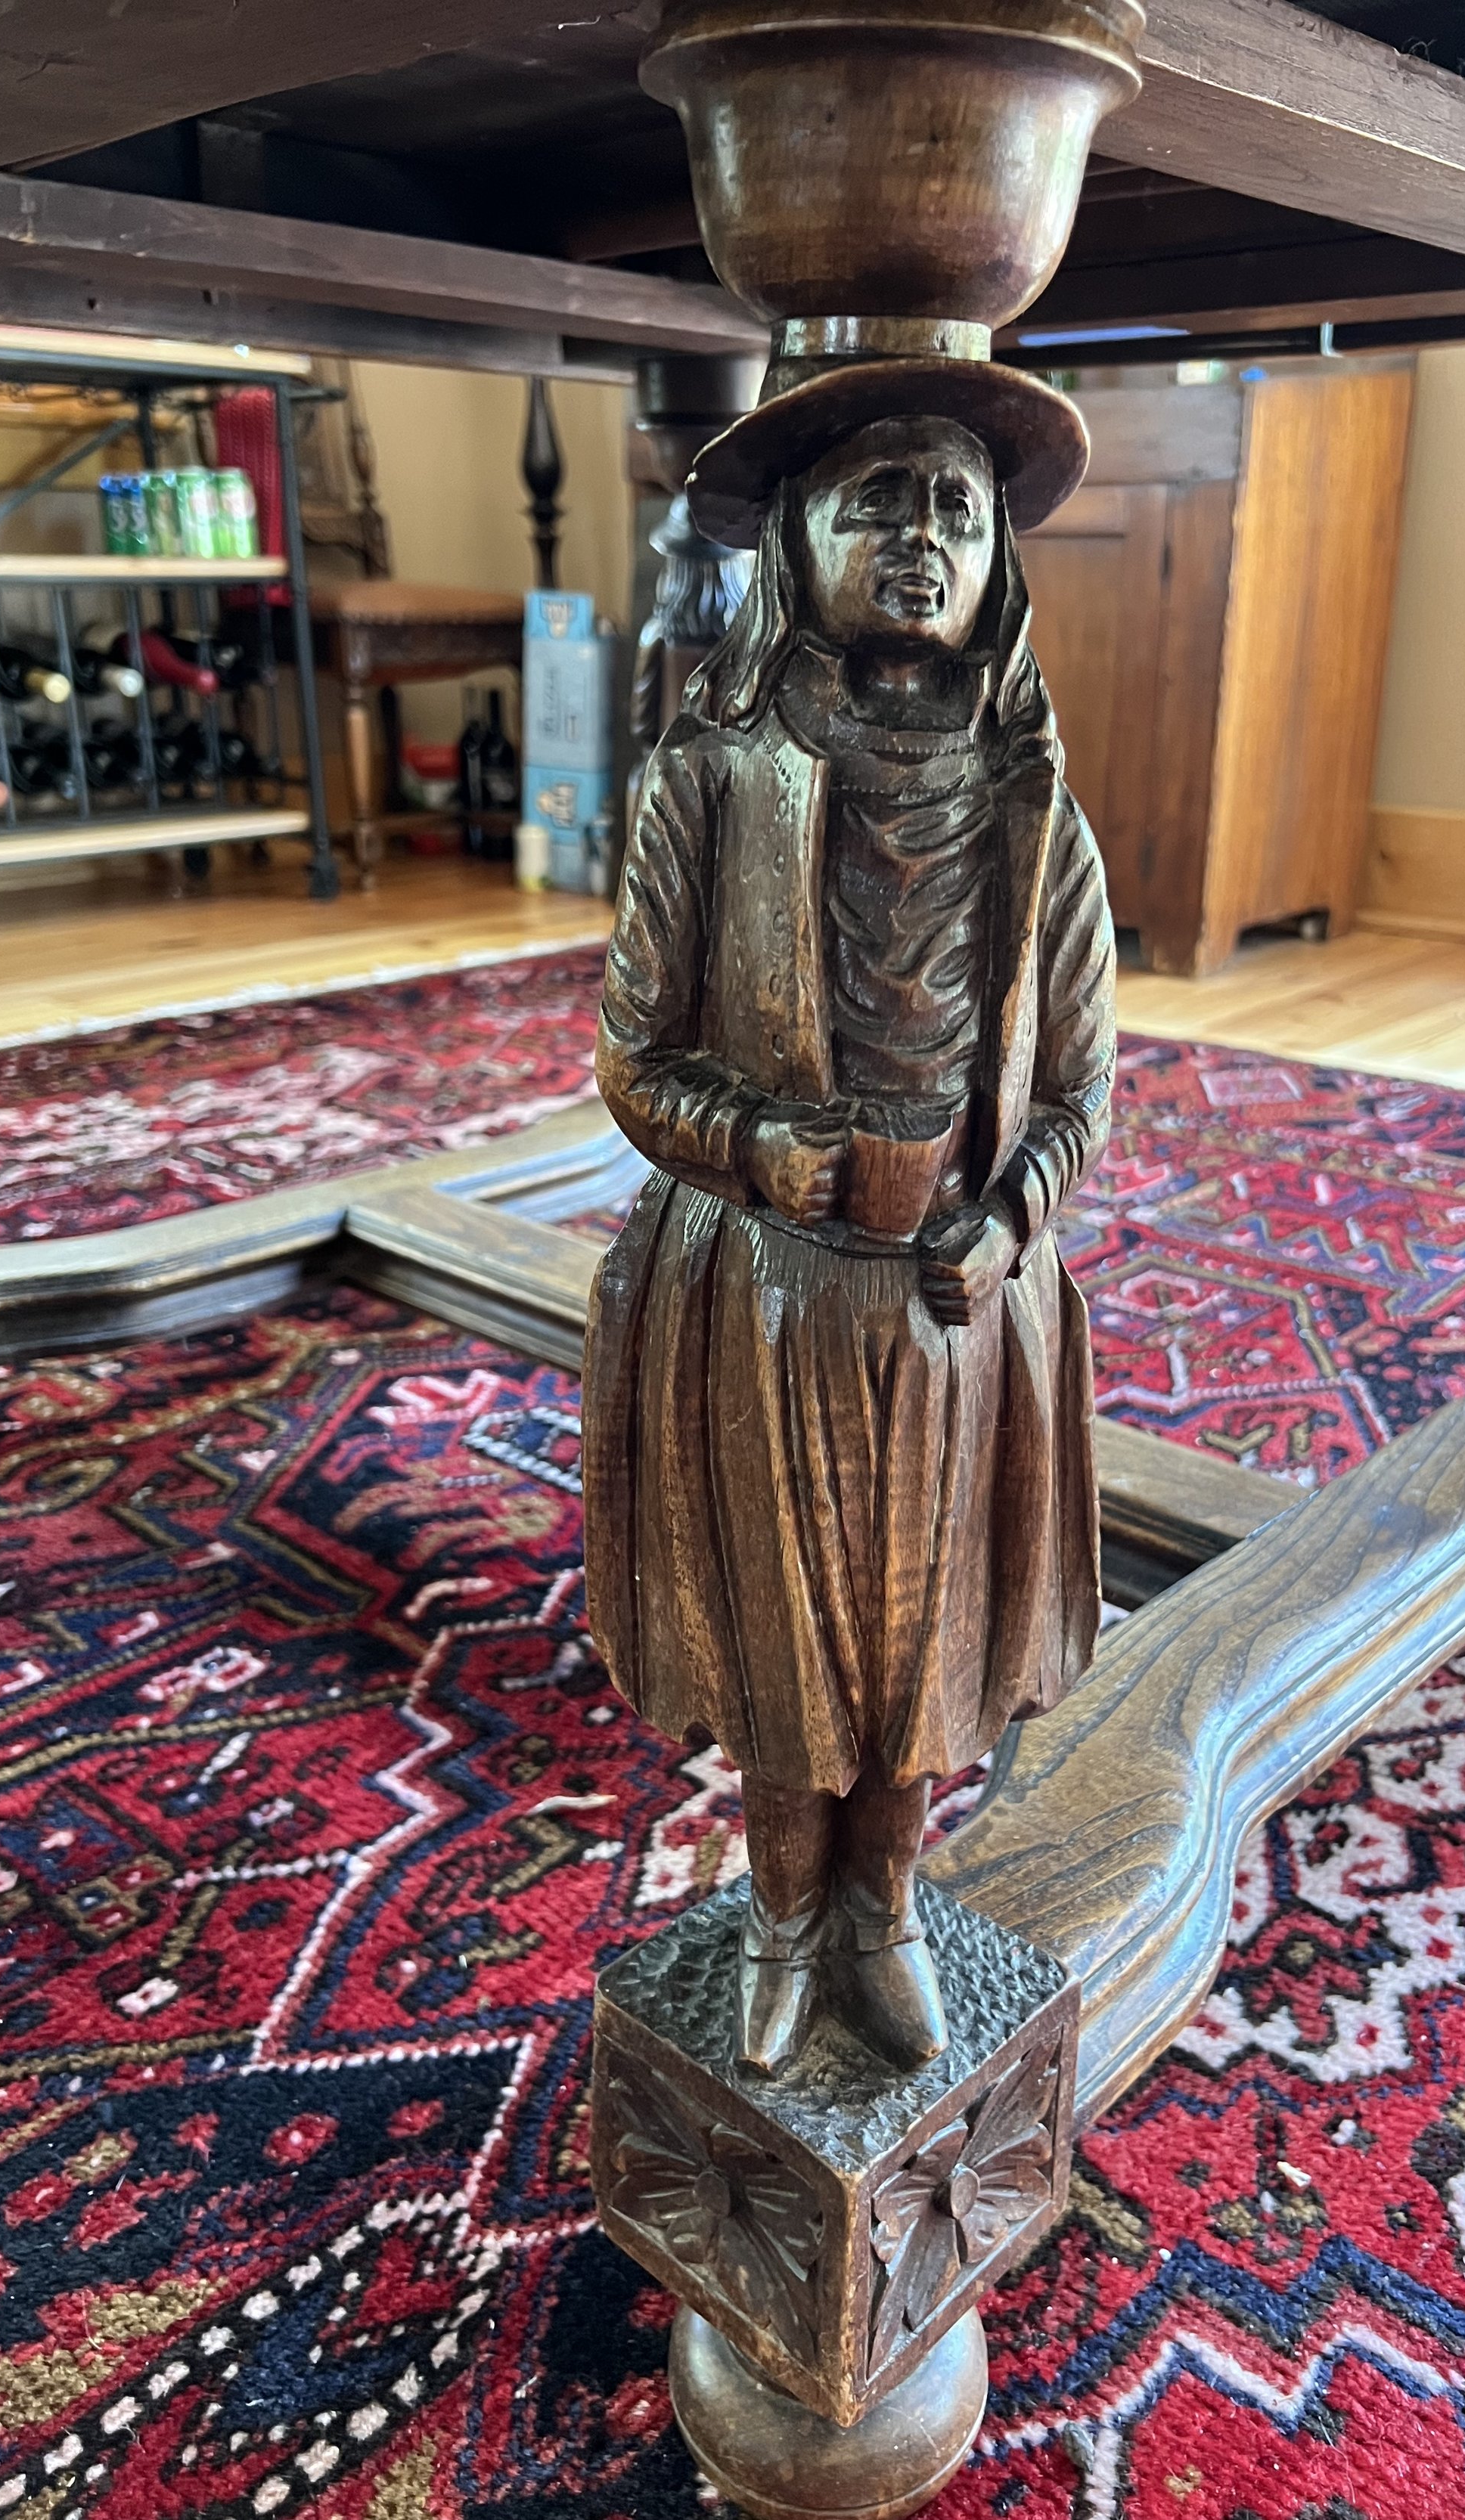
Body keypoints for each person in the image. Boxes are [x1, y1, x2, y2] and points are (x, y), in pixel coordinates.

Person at [583, 359, 1114, 2078]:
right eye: (875, 500)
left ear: (999, 570)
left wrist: (1011, 1211)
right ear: (795, 542)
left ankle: (881, 1904)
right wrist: (747, 1146)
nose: (919, 538)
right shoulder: (713, 781)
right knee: (783, 1622)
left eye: (956, 508)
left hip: (959, 1295)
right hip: (764, 1281)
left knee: (917, 1628)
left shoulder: (1039, 816)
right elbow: (631, 1053)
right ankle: (780, 1905)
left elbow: (1078, 1092)